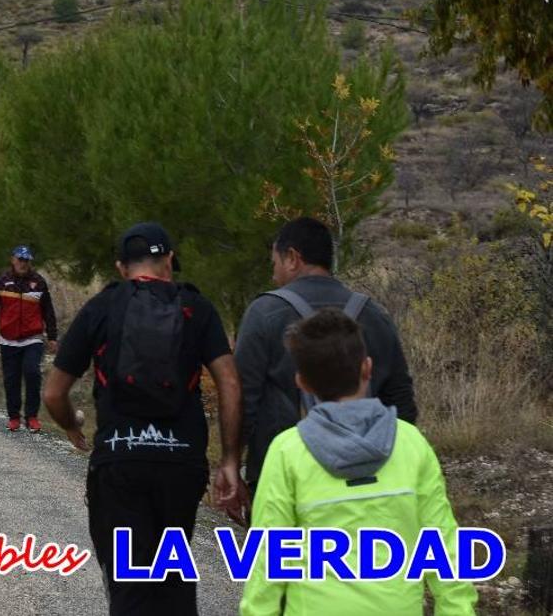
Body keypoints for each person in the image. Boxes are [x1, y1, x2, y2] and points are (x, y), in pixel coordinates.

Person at [45, 222, 241, 616]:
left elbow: (53, 393)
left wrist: (70, 424)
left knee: (130, 587)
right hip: (181, 465)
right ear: (169, 260)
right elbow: (231, 385)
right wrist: (231, 460)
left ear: (121, 267)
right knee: (174, 584)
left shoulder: (102, 307)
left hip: (119, 463)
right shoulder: (197, 309)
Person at [240, 309, 476, 615]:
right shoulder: (411, 444)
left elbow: (267, 563)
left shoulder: (287, 452)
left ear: (302, 383)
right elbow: (445, 547)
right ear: (367, 368)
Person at [236, 216, 417, 505]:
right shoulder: (375, 315)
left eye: (275, 264)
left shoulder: (264, 313)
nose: (274, 276)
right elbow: (401, 400)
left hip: (285, 476)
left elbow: (243, 399)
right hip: (373, 479)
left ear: (293, 258)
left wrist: (231, 465)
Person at [0, 245, 57, 432]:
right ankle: (14, 416)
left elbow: (48, 310)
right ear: (13, 260)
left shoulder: (38, 282)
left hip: (33, 338)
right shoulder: (3, 281)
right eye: (20, 260)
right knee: (11, 378)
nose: (23, 263)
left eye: (26, 260)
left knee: (32, 373)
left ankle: (32, 416)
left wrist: (53, 337)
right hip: (9, 339)